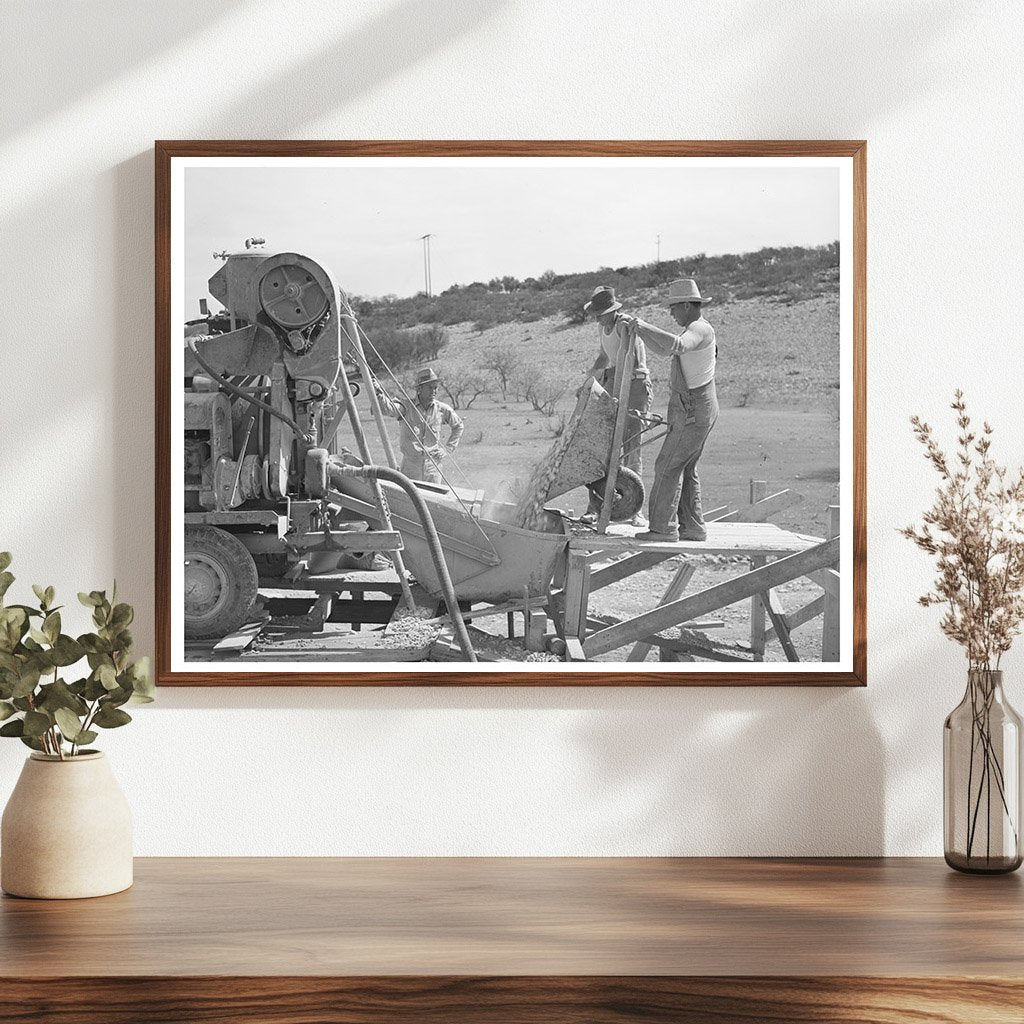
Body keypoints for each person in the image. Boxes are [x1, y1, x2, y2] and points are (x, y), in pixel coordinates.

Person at [618, 278, 718, 542]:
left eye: (674, 307)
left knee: (667, 464)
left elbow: (677, 346)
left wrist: (645, 326)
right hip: (695, 406)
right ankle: (693, 527)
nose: (671, 313)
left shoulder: (699, 329)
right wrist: (640, 331)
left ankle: (663, 528)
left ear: (687, 305)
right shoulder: (693, 328)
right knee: (686, 466)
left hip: (694, 408)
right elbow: (665, 349)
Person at [580, 285, 652, 526]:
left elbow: (631, 361)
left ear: (611, 310)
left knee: (632, 446)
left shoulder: (624, 325)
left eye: (600, 313)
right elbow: (604, 357)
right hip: (614, 381)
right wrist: (589, 380)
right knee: (603, 445)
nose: (597, 318)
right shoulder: (604, 327)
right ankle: (596, 506)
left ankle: (635, 510)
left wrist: (618, 393)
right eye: (595, 313)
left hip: (635, 385)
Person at [374, 367, 464, 485]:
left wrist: (447, 449)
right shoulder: (406, 407)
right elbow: (387, 408)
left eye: (435, 387)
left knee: (433, 500)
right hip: (410, 468)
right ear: (419, 389)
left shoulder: (442, 409)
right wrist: (378, 393)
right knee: (410, 500)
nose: (434, 391)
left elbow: (458, 426)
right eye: (430, 387)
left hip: (433, 468)